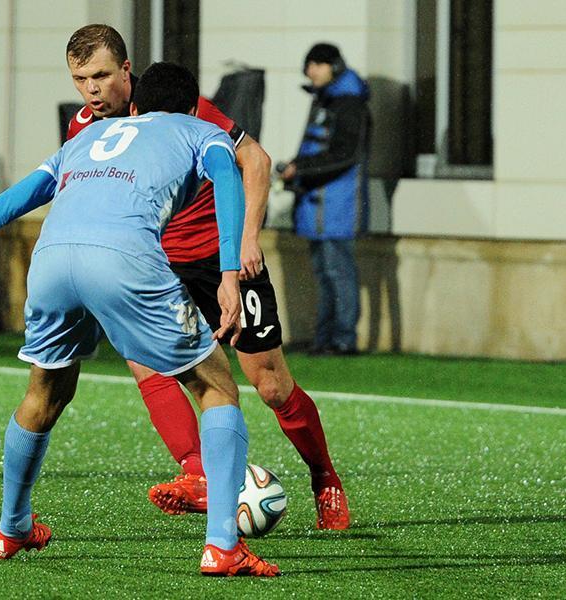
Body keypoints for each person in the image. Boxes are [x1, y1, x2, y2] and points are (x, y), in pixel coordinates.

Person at [0, 62, 279, 577]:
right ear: (191, 107)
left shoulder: (86, 138)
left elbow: (5, 205)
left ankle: (11, 528)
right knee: (216, 387)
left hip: (51, 262)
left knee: (45, 394)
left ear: (136, 105)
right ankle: (223, 547)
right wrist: (228, 273)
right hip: (123, 259)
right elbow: (228, 178)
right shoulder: (203, 131)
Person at [65, 24, 349, 528]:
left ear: (126, 71)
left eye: (101, 76)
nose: (92, 90)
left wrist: (245, 242)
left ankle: (324, 476)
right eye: (81, 79)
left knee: (270, 385)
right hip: (156, 266)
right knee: (147, 365)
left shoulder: (175, 102)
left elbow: (254, 159)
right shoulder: (83, 129)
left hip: (219, 257)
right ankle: (197, 474)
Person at [278, 43, 370, 356]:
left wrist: (300, 168)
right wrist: (298, 169)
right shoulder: (327, 99)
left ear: (335, 66)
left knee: (338, 273)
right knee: (325, 274)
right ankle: (325, 338)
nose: (311, 71)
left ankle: (343, 338)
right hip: (319, 206)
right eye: (309, 65)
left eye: (317, 64)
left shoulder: (349, 103)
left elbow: (345, 154)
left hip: (337, 206)